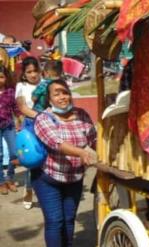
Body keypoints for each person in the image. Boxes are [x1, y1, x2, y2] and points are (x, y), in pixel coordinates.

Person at [33, 79, 96, 247]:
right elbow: (57, 143)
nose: (62, 97)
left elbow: (94, 138)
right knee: (55, 221)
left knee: (69, 220)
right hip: (48, 178)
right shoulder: (43, 118)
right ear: (49, 99)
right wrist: (82, 152)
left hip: (74, 178)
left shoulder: (82, 114)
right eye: (57, 93)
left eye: (65, 92)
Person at [15, 56, 41, 209]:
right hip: (31, 126)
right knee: (31, 160)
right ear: (24, 74)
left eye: (35, 70)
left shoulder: (45, 83)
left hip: (48, 125)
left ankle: (45, 192)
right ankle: (29, 189)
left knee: (47, 160)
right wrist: (40, 116)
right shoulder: (21, 86)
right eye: (29, 72)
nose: (33, 74)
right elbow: (23, 108)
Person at [0, 65, 20, 194]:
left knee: (14, 152)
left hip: (9, 125)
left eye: (1, 77)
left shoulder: (10, 91)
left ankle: (10, 177)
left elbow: (16, 108)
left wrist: (20, 120)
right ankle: (1, 182)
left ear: (6, 78)